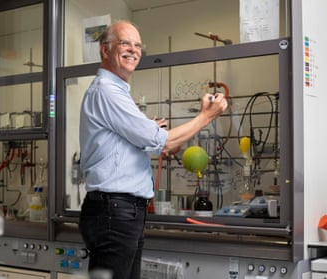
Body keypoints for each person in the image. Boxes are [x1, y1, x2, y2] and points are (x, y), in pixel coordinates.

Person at [78, 20, 228, 279]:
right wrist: (207, 116)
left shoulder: (119, 92)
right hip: (114, 212)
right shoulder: (107, 91)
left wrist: (156, 136)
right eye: (125, 43)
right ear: (105, 50)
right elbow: (164, 142)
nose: (133, 50)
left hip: (123, 212)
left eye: (138, 45)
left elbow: (158, 142)